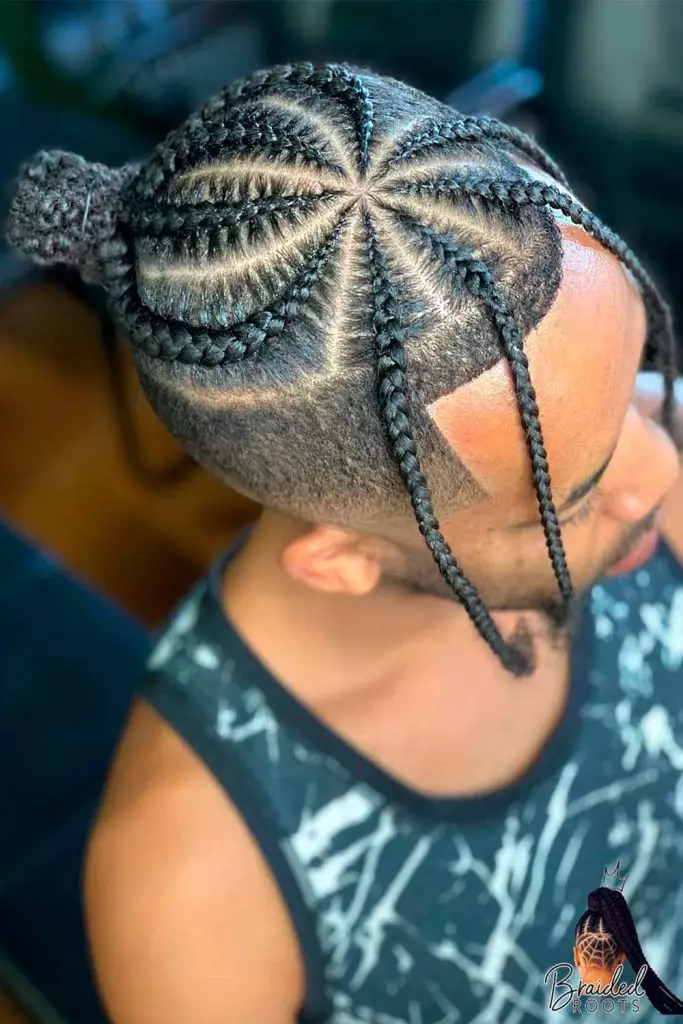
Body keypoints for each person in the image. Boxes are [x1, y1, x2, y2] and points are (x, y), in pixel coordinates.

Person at [7, 62, 683, 1024]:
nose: (658, 467)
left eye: (637, 382)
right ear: (341, 562)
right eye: (572, 495)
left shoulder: (646, 459)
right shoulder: (199, 892)